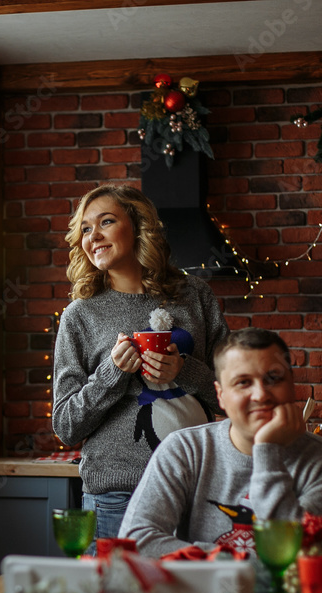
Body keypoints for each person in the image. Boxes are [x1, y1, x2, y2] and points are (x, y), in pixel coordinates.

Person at [52, 184, 229, 554]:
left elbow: (231, 394)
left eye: (106, 222)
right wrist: (111, 374)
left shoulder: (194, 295)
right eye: (85, 228)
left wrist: (183, 370)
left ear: (138, 226)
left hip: (195, 486)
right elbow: (66, 426)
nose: (93, 236)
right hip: (118, 495)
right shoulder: (79, 315)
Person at [118, 327, 322, 558]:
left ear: (292, 385)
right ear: (220, 395)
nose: (261, 394)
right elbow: (136, 541)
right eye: (243, 382)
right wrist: (229, 560)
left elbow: (291, 554)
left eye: (274, 378)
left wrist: (266, 451)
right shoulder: (184, 449)